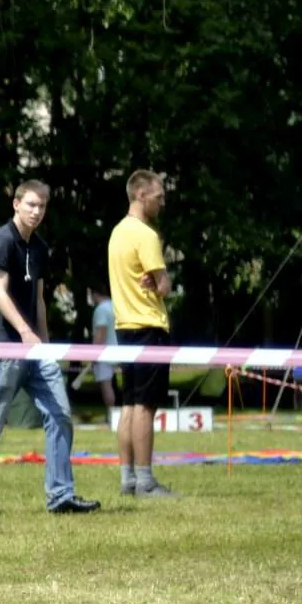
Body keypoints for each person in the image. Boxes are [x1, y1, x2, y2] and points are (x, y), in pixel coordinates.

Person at [0, 181, 90, 512]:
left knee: (60, 414)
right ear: (16, 204)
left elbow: (38, 300)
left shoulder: (39, 247)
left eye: (42, 206)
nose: (36, 212)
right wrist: (24, 331)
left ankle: (61, 495)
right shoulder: (1, 240)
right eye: (31, 205)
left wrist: (44, 345)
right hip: (4, 347)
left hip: (35, 349)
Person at [109, 170, 178, 499]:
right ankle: (146, 480)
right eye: (158, 197)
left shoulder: (117, 233)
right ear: (140, 194)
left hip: (124, 326)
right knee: (145, 407)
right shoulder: (146, 235)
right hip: (149, 326)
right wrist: (162, 280)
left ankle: (127, 479)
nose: (163, 203)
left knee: (129, 404)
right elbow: (164, 286)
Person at [86, 286, 119, 420]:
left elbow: (101, 332)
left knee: (106, 385)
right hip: (120, 349)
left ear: (95, 294)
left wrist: (94, 354)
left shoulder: (101, 309)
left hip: (104, 352)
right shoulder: (115, 306)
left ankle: (111, 415)